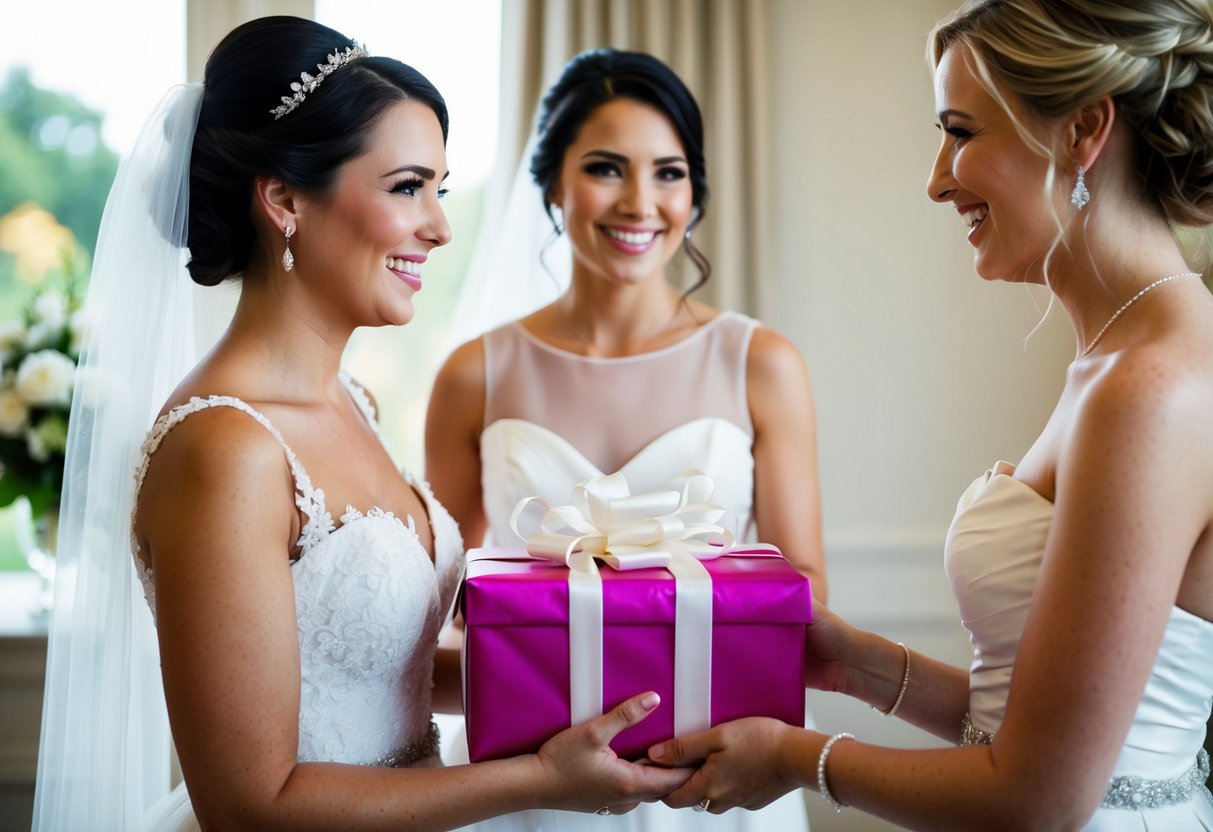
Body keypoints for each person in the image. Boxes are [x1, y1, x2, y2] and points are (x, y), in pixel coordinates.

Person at [32, 17, 693, 832]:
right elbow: (248, 805)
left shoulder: (355, 404)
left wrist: (596, 663)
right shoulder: (226, 450)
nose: (440, 227)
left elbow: (387, 674)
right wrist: (536, 782)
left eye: (439, 190)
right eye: (406, 186)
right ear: (284, 201)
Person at [643, 0, 1213, 829]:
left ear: (1082, 130)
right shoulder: (1120, 361)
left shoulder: (1152, 386)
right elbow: (1041, 728)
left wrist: (795, 758)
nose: (936, 177)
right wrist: (857, 664)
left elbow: (1040, 797)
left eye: (960, 131)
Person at [425, 48, 826, 830]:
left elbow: (802, 588)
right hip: (534, 770)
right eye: (606, 168)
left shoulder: (761, 363)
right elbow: (441, 601)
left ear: (695, 193)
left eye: (668, 173)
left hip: (714, 764)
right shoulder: (473, 373)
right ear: (551, 184)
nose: (640, 202)